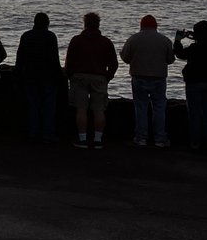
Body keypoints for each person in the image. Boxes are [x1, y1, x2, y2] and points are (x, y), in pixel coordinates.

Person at [63, 12, 119, 149]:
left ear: (85, 24)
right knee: (99, 110)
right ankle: (98, 139)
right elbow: (114, 63)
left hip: (79, 76)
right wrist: (107, 77)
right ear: (98, 24)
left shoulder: (76, 40)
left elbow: (69, 62)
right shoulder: (106, 42)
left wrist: (70, 75)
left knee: (81, 109)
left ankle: (82, 139)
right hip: (99, 77)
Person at [120, 15, 176, 148]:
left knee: (141, 108)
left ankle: (141, 138)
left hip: (138, 77)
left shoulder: (134, 39)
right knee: (159, 108)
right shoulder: (165, 40)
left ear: (141, 25)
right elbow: (171, 59)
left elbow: (126, 58)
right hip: (159, 78)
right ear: (156, 26)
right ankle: (160, 139)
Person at [174, 22, 207, 151]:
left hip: (194, 83)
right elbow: (205, 41)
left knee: (194, 114)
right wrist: (194, 36)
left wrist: (178, 40)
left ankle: (195, 142)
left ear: (199, 34)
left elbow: (179, 54)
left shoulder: (195, 48)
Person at [15, 13, 62, 144]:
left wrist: (18, 74)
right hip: (48, 77)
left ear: (34, 23)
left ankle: (32, 133)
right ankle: (48, 133)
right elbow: (54, 59)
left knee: (32, 105)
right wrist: (59, 75)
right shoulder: (51, 36)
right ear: (47, 23)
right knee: (48, 107)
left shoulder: (26, 36)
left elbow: (20, 58)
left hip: (30, 76)